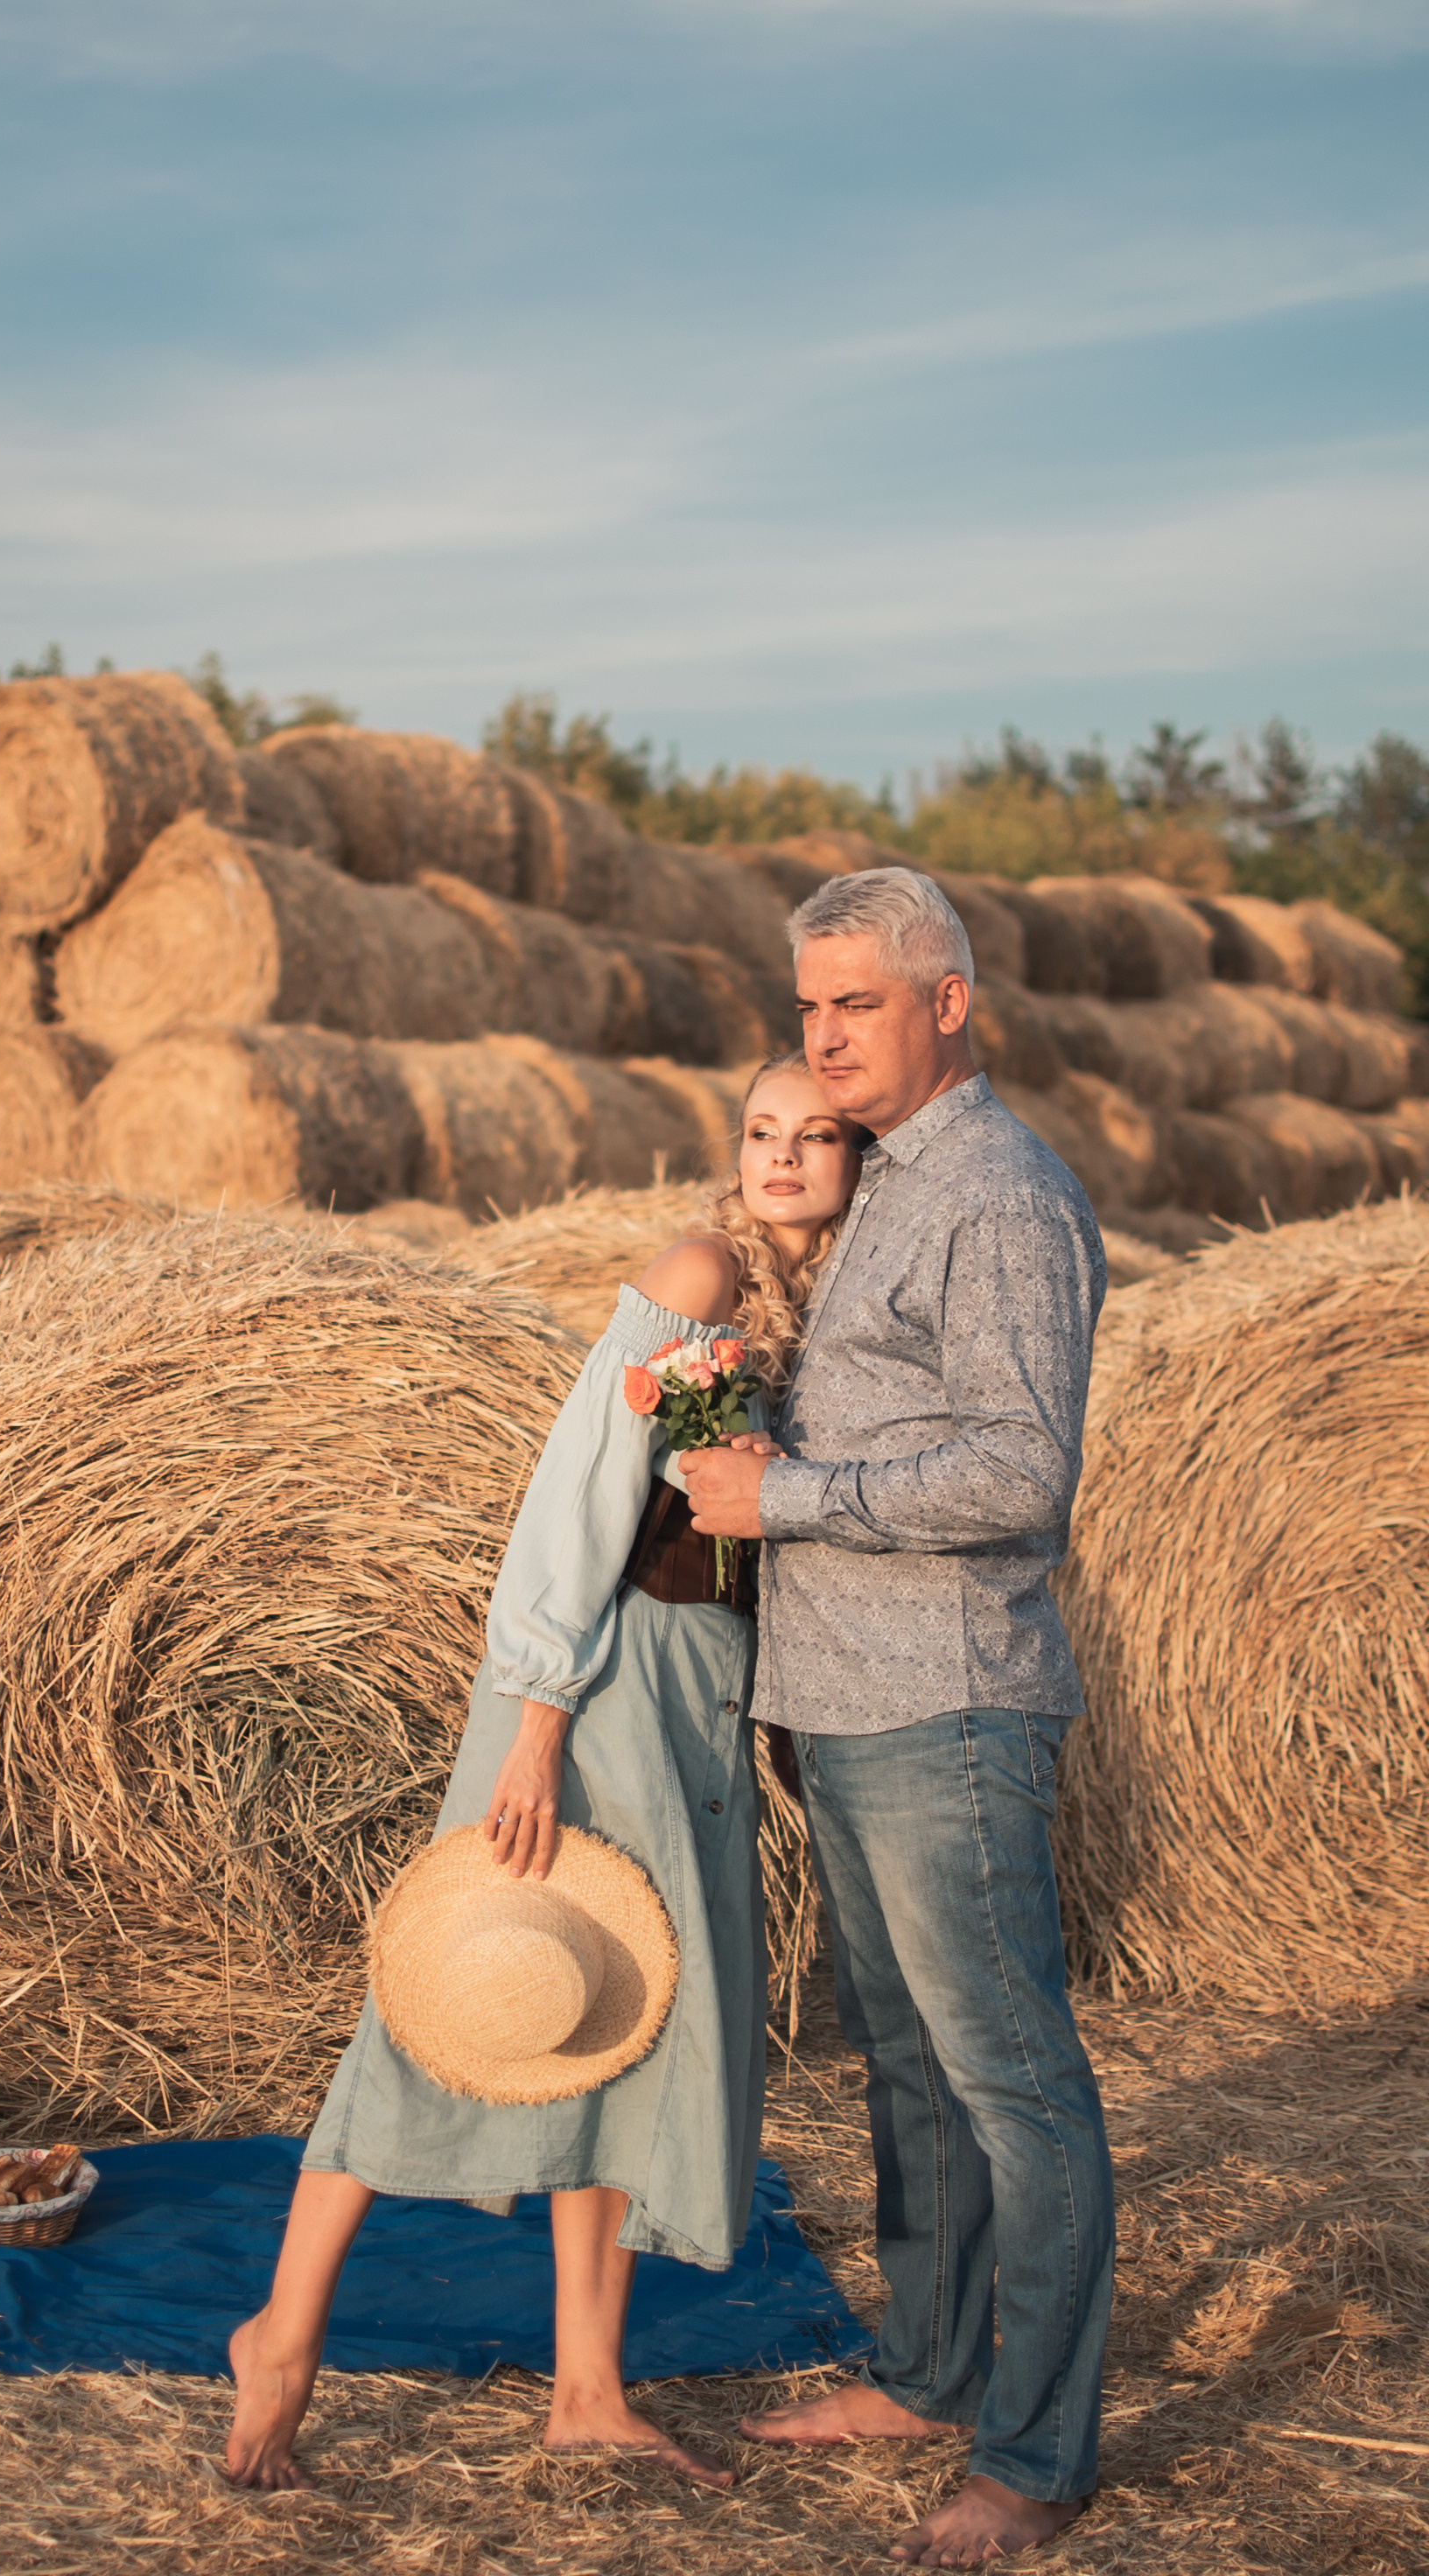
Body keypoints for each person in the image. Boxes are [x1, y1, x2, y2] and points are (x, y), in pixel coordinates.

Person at [226, 1054, 863, 2495]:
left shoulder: (819, 1313)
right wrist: (534, 1713)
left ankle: (587, 2387)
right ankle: (283, 2329)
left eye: (815, 1136)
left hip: (694, 1693)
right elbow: (577, 1495)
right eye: (762, 1133)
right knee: (446, 2000)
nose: (781, 1159)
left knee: (613, 2014)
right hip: (598, 1680)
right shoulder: (698, 1275)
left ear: (853, 1158)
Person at [682, 869, 1114, 2567]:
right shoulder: (884, 1188)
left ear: (947, 1003)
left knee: (1013, 2082)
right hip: (850, 1701)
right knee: (917, 2077)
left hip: (948, 1703)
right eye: (807, 1007)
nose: (824, 1036)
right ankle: (933, 2369)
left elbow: (1017, 1470)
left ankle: (1039, 2447)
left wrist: (786, 1489)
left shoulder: (998, 1195)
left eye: (856, 1003)